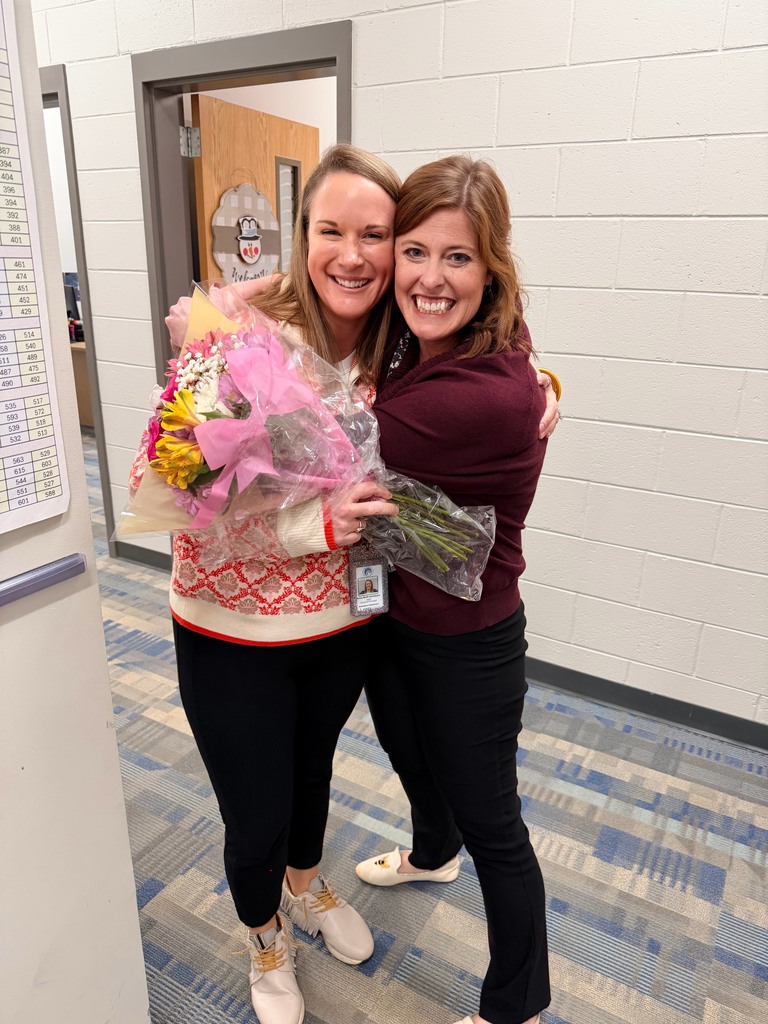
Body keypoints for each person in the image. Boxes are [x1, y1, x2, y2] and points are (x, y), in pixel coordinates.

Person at [159, 145, 560, 1024]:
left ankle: (307, 890)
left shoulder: (396, 341)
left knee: (313, 781)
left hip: (347, 619)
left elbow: (450, 400)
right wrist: (314, 523)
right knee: (254, 809)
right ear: (301, 237)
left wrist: (539, 385)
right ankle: (264, 938)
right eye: (331, 229)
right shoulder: (246, 334)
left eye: (375, 234)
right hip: (236, 624)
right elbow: (180, 478)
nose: (357, 254)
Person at [355, 156, 551, 1024]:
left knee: (496, 827)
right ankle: (432, 854)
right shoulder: (424, 344)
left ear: (492, 269)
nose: (431, 278)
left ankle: (516, 1003)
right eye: (416, 251)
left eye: (459, 258)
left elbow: (315, 442)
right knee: (408, 755)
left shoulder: (484, 395)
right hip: (397, 612)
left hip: (467, 642)